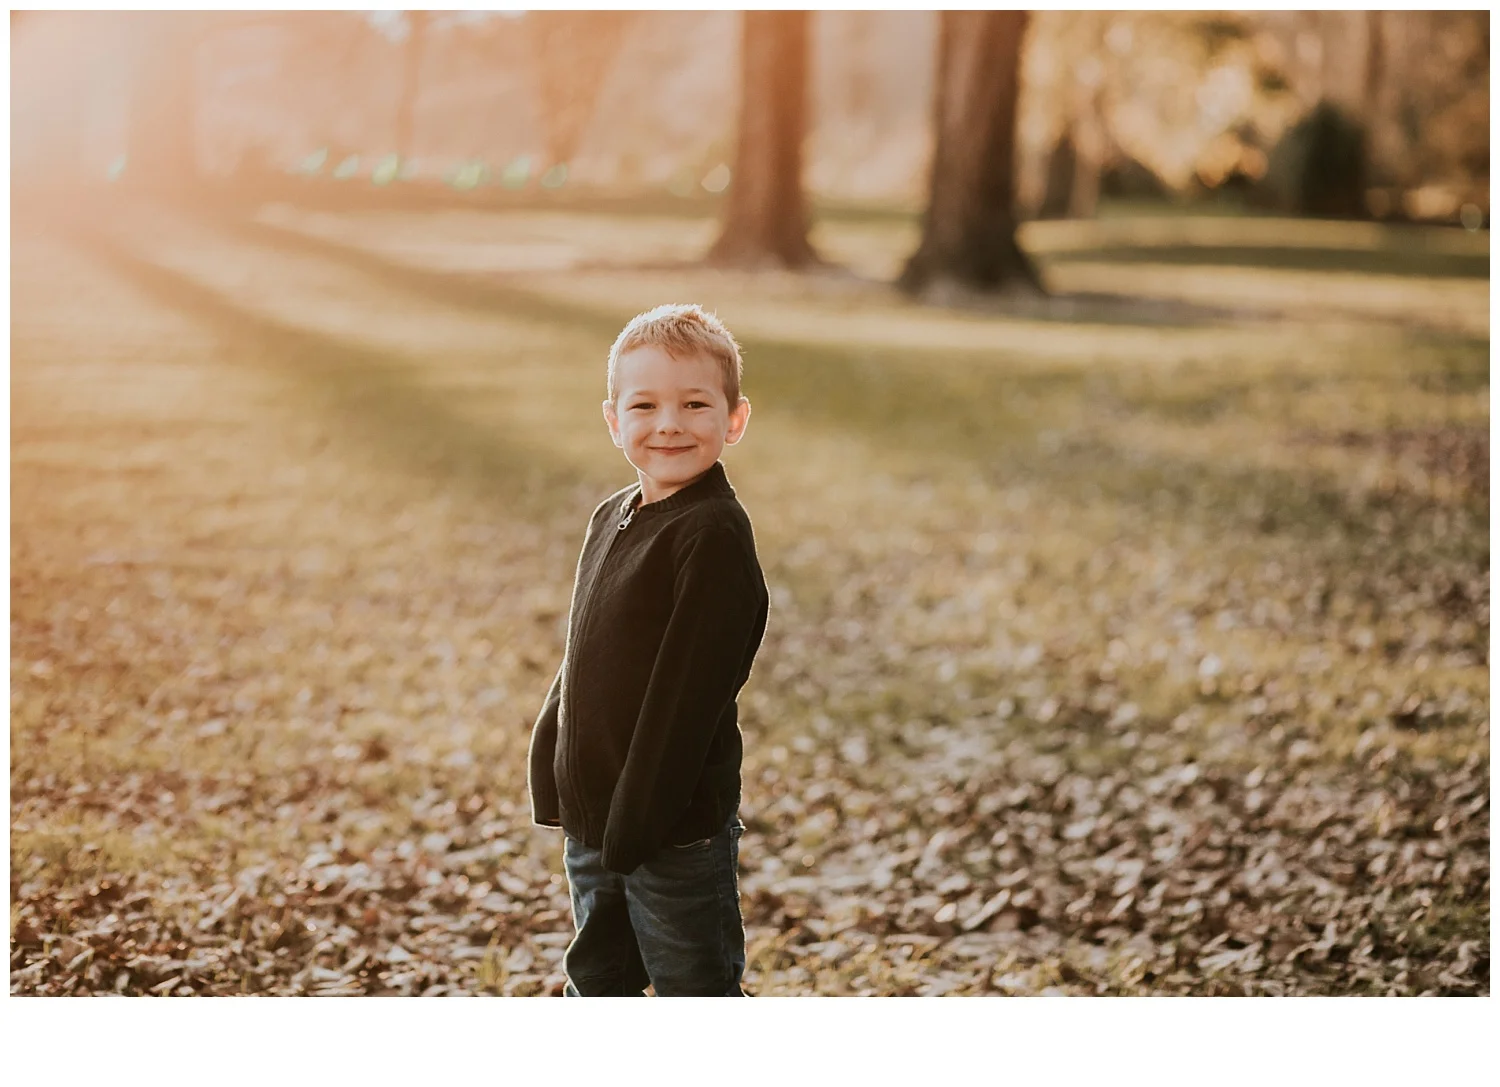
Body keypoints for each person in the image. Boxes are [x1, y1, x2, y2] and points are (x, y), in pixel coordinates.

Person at [527, 303, 769, 997]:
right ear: (614, 420)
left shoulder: (711, 536)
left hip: (674, 830)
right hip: (597, 818)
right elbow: (585, 649)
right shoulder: (613, 515)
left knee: (693, 987)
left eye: (695, 403)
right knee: (598, 980)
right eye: (646, 404)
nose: (669, 423)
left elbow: (686, 697)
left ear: (734, 420)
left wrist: (637, 824)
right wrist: (555, 756)